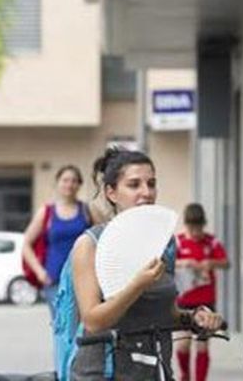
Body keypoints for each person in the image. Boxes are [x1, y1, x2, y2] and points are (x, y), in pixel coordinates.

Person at [71, 147, 225, 380]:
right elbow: (93, 321)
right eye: (134, 185)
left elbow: (164, 313)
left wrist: (194, 318)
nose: (146, 192)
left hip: (155, 369)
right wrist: (137, 285)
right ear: (111, 192)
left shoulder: (165, 243)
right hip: (105, 372)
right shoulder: (90, 244)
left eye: (151, 184)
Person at [22, 165, 93, 312]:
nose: (69, 184)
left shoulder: (87, 210)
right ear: (57, 183)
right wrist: (40, 272)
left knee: (84, 327)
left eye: (74, 181)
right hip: (55, 279)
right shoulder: (47, 212)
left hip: (84, 278)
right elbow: (26, 244)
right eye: (65, 180)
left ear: (79, 185)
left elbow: (101, 239)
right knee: (61, 325)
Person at [174, 203, 229, 381]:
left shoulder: (211, 242)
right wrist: (184, 263)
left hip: (205, 301)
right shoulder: (178, 242)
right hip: (184, 300)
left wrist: (210, 263)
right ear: (186, 225)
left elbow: (226, 262)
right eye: (192, 228)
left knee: (202, 345)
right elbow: (165, 266)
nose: (196, 232)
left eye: (199, 228)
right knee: (182, 344)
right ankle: (184, 375)